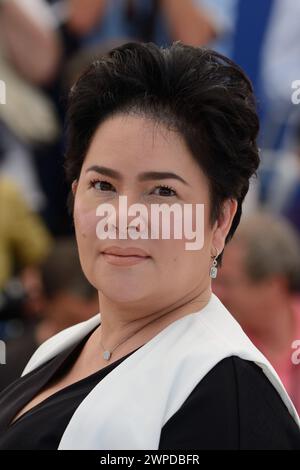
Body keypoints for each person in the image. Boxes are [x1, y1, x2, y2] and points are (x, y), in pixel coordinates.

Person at [0, 41, 299, 450]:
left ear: (220, 220)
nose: (124, 218)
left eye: (162, 191)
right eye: (102, 185)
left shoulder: (227, 396)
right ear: (73, 195)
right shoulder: (63, 348)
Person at [213, 212, 300, 414]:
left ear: (273, 285)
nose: (214, 293)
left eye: (226, 283)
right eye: (214, 278)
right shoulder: (219, 346)